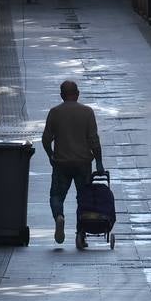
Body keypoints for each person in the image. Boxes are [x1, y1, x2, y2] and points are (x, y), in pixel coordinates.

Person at [42, 80, 103, 248]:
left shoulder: (55, 112)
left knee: (56, 195)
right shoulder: (87, 112)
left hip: (61, 163)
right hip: (83, 163)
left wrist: (51, 155)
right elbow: (94, 140)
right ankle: (80, 235)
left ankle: (59, 217)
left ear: (62, 95)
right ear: (77, 94)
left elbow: (45, 139)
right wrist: (98, 161)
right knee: (83, 199)